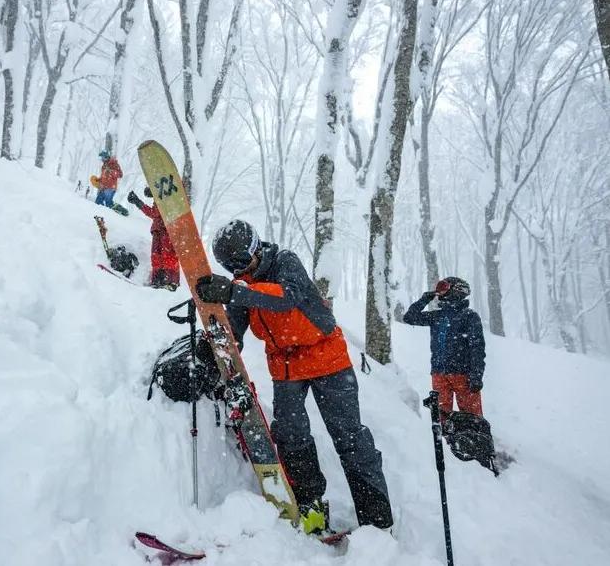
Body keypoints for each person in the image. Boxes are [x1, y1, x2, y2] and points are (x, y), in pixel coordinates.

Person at [194, 220, 393, 534]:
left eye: (243, 262)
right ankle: (312, 509)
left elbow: (287, 297)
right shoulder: (242, 286)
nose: (241, 270)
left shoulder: (285, 261)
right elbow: (236, 334)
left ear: (255, 248)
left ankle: (378, 523)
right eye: (233, 268)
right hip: (286, 367)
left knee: (350, 439)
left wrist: (237, 291)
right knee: (290, 436)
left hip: (327, 358)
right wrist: (213, 345)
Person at [403, 277, 486, 419]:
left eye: (444, 287)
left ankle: (475, 440)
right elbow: (409, 317)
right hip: (439, 374)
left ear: (457, 290)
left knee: (472, 418)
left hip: (463, 375)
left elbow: (477, 347)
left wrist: (476, 376)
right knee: (442, 419)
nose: (440, 292)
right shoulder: (437, 316)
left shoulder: (469, 316)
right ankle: (448, 441)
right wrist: (424, 299)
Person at [127, 187, 180, 290]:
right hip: (158, 229)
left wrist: (138, 202)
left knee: (167, 255)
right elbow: (154, 213)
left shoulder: (169, 193)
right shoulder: (160, 196)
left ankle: (170, 281)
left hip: (168, 229)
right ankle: (158, 280)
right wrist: (139, 201)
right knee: (157, 255)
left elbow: (156, 212)